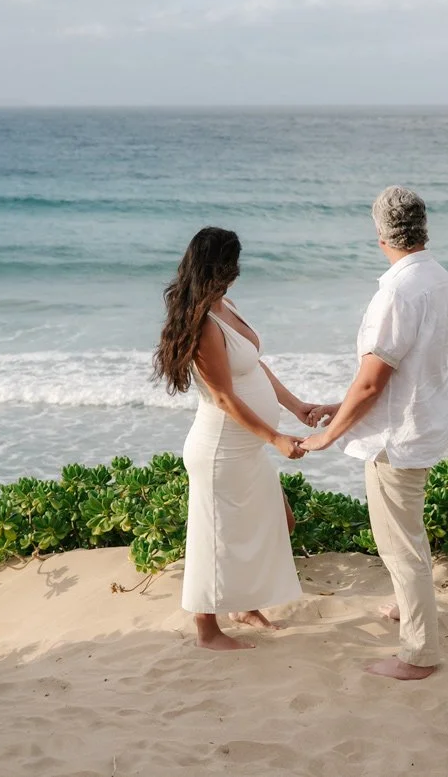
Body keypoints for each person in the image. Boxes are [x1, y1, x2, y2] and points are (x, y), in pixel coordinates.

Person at [302, 186, 448, 680]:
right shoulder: (437, 277)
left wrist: (327, 437)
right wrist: (339, 408)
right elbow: (398, 373)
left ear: (380, 233)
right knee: (408, 530)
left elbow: (372, 382)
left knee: (399, 543)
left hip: (397, 435)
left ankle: (418, 653)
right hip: (422, 421)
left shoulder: (396, 290)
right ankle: (405, 607)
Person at [153, 226, 316, 651]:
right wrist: (276, 436)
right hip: (220, 449)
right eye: (232, 263)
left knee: (278, 520)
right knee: (215, 537)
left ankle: (243, 605)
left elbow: (255, 368)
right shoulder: (203, 324)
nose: (237, 272)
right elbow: (224, 397)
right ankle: (207, 630)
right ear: (218, 266)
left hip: (244, 448)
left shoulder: (226, 306)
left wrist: (296, 405)